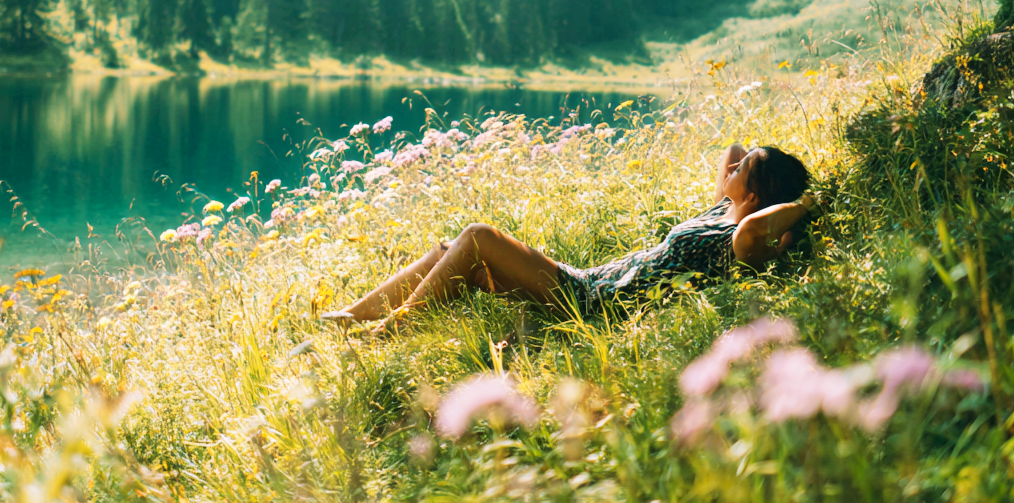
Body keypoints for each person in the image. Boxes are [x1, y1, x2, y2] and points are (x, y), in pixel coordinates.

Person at [321, 144, 812, 328]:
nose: (734, 166)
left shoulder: (741, 240)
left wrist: (807, 203)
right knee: (450, 252)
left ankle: (389, 330)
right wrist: (754, 167)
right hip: (589, 282)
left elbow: (758, 225)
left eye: (744, 170)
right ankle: (349, 319)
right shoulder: (724, 210)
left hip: (599, 303)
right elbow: (734, 149)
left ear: (755, 195)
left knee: (477, 237)